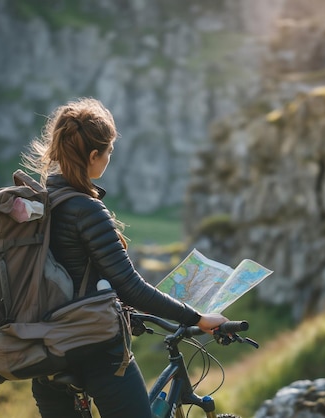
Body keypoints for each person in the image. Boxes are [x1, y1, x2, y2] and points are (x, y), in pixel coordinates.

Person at [22, 97, 228, 418]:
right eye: (108, 153)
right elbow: (130, 286)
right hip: (96, 354)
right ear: (93, 156)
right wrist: (199, 319)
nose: (108, 159)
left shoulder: (39, 205)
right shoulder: (87, 210)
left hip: (45, 353)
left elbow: (70, 278)